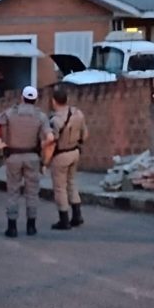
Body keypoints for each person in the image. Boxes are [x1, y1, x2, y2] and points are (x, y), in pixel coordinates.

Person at [0, 86, 53, 238]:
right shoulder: (41, 116)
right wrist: (41, 146)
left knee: (13, 192)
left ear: (22, 98)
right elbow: (50, 138)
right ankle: (31, 226)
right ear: (36, 100)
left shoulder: (9, 113)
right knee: (32, 192)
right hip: (32, 156)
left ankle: (12, 227)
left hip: (13, 156)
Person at [47, 86, 89, 230]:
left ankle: (64, 219)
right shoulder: (77, 113)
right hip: (74, 151)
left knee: (60, 188)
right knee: (71, 183)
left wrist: (45, 159)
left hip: (61, 154)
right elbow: (85, 135)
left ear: (54, 101)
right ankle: (77, 215)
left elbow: (51, 141)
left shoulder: (55, 120)